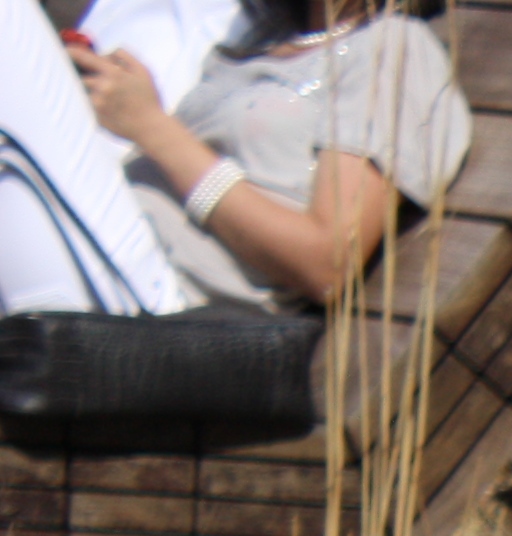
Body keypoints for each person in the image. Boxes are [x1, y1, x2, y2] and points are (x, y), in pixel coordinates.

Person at [0, 0, 465, 318]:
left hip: (157, 293)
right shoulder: (258, 37)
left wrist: (152, 127)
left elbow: (327, 264)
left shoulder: (394, 49)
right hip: (111, 244)